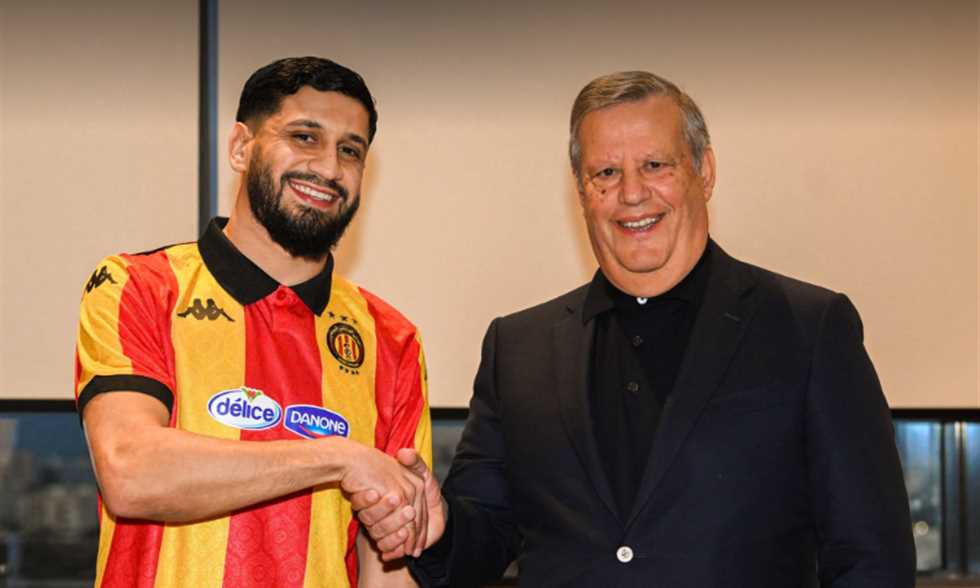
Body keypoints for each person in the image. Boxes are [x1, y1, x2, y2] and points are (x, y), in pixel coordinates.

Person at [354, 71, 916, 587]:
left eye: (655, 165)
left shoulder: (808, 329)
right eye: (606, 173)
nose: (631, 193)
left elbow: (871, 560)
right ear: (582, 192)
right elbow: (483, 539)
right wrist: (437, 528)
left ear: (704, 171)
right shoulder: (517, 348)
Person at [75, 56, 431, 588]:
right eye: (305, 137)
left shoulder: (391, 338)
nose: (329, 169)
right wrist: (338, 457)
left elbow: (389, 564)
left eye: (350, 151)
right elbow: (131, 472)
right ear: (241, 147)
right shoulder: (139, 287)